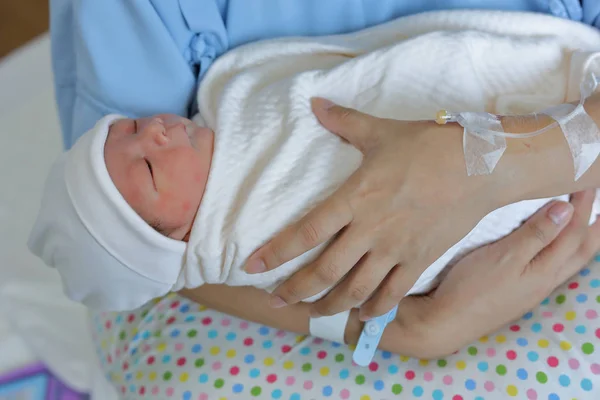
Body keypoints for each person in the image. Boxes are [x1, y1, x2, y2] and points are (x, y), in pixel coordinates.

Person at [31, 13, 600, 319]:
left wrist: (518, 160)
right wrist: (414, 330)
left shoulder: (221, 115)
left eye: (131, 128)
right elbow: (160, 274)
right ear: (178, 235)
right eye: (151, 169)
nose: (152, 130)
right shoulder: (235, 237)